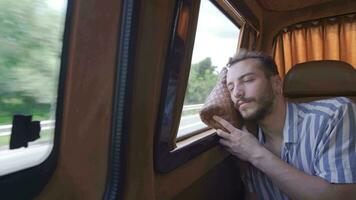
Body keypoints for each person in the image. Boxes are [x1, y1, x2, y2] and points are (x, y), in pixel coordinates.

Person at [213, 50, 356, 200]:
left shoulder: (335, 114)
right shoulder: (244, 141)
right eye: (230, 88)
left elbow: (342, 196)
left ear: (276, 84)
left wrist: (256, 154)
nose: (237, 93)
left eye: (248, 80)